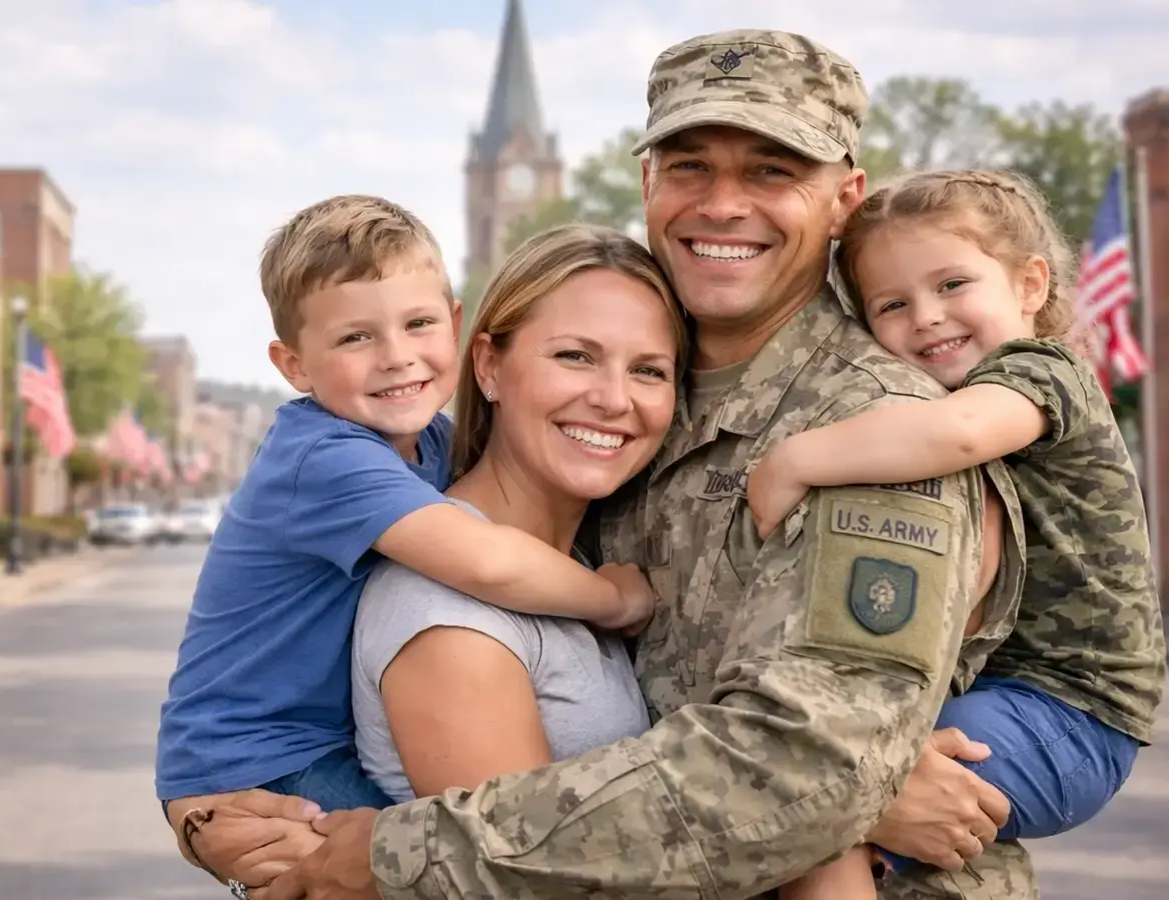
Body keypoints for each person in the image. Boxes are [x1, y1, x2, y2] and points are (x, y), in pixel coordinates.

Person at [191, 30, 1049, 900]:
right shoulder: (608, 449)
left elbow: (805, 768)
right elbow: (312, 661)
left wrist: (395, 854)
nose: (722, 205)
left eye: (772, 170)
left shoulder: (890, 429)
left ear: (844, 199)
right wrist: (215, 814)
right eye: (688, 168)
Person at [154, 196, 656, 837]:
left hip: (306, 741)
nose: (396, 355)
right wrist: (612, 600)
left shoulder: (435, 444)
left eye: (417, 324)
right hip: (261, 758)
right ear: (294, 366)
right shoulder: (325, 457)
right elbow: (486, 559)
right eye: (356, 337)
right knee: (421, 857)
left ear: (454, 325)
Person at [746, 169, 1166, 900]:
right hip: (1011, 693)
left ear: (1030, 285)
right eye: (893, 304)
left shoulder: (1043, 373)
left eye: (952, 285)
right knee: (825, 779)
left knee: (828, 803)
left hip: (1071, 712)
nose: (927, 316)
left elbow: (961, 434)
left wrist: (796, 459)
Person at [352, 224, 683, 809]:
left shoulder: (579, 562)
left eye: (649, 370)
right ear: (489, 367)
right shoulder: (450, 616)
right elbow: (516, 874)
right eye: (575, 356)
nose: (614, 398)